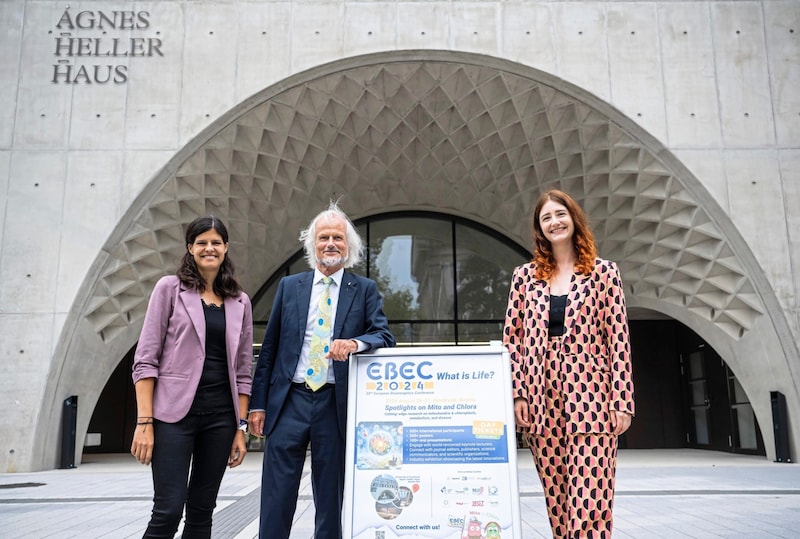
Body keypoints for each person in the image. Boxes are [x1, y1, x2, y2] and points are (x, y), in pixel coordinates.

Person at [248, 202, 396, 539]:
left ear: (349, 247)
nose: (331, 243)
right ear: (313, 245)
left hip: (334, 403)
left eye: (338, 238)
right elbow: (268, 350)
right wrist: (258, 404)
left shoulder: (364, 289)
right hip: (289, 401)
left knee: (330, 495)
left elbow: (384, 335)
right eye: (324, 237)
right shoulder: (289, 287)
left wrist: (355, 343)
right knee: (276, 493)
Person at [503, 189, 634, 538]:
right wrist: (518, 395)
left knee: (591, 495)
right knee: (557, 497)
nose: (554, 222)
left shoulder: (604, 273)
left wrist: (622, 401)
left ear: (574, 218)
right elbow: (512, 341)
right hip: (540, 398)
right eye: (546, 218)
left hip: (593, 396)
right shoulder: (523, 278)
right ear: (539, 228)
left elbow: (617, 339)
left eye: (560, 214)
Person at [131, 216, 254, 539]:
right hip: (173, 417)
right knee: (168, 510)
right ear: (190, 248)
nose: (209, 248)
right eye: (202, 242)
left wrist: (240, 429)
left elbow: (243, 372)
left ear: (226, 248)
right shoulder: (169, 289)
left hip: (220, 419)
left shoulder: (240, 301)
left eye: (216, 242)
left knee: (202, 511)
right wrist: (145, 422)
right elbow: (145, 360)